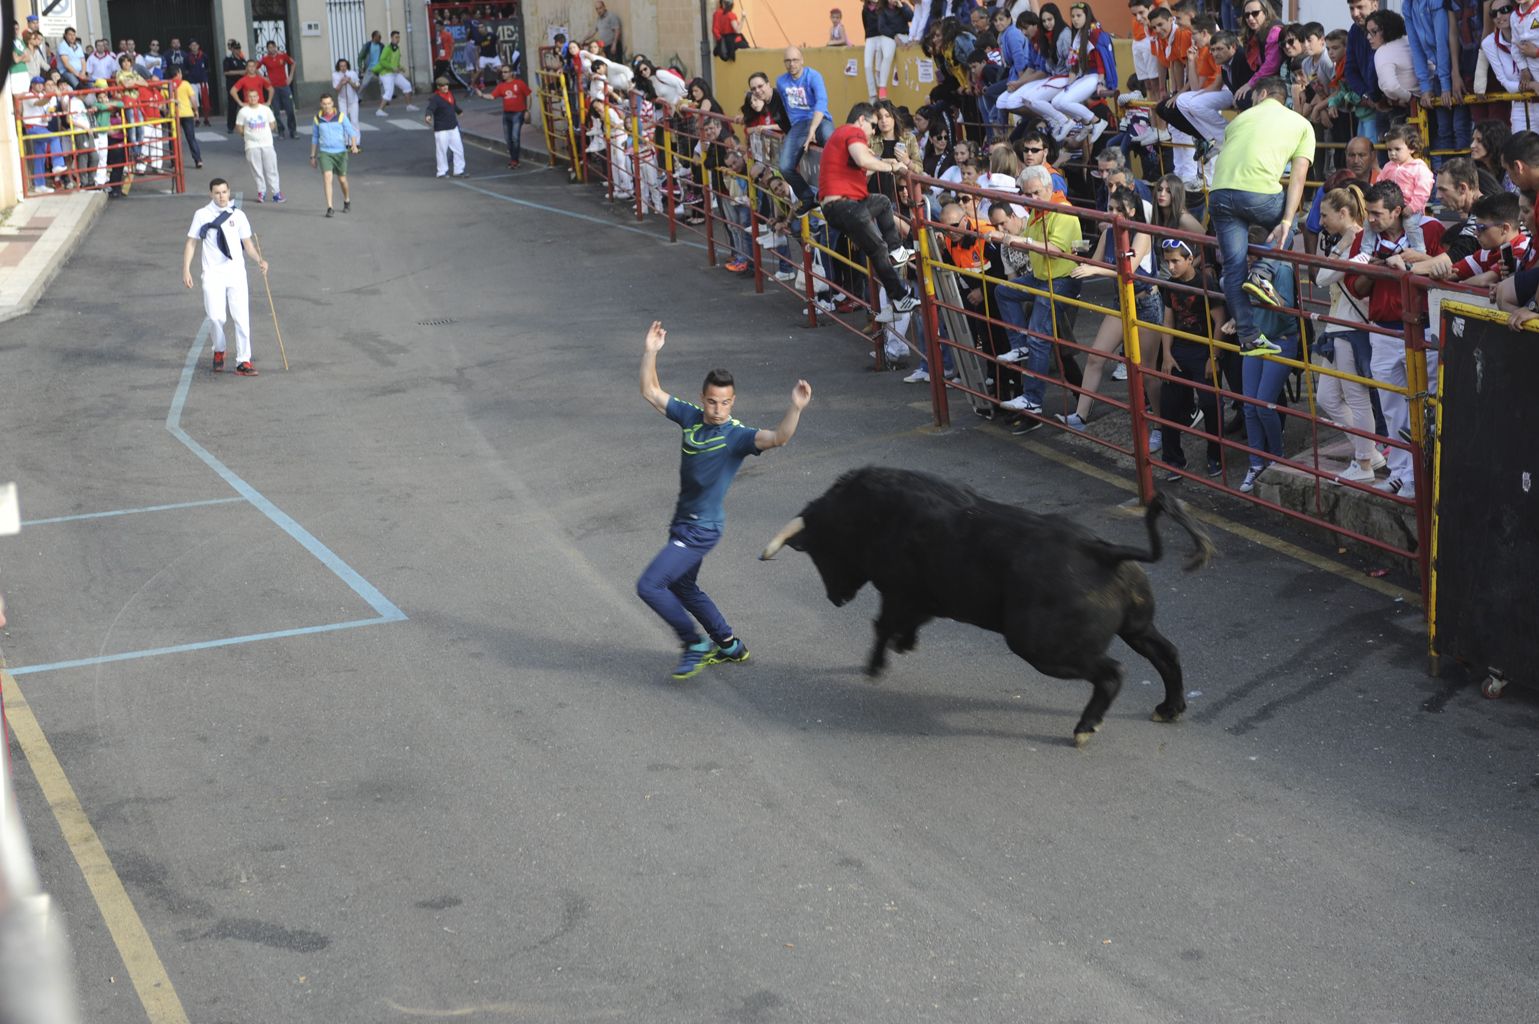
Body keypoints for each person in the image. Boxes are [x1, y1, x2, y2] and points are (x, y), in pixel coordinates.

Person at [636, 320, 811, 678]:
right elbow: (651, 391)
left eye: (726, 402)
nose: (719, 408)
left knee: (650, 585)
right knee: (683, 586)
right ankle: (729, 645)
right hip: (683, 523)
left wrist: (795, 408)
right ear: (703, 399)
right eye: (713, 401)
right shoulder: (691, 417)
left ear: (734, 401)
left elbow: (778, 437)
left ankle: (694, 643)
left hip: (702, 529)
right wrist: (651, 351)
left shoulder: (737, 437)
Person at [1344, 180, 1446, 498]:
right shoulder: (1363, 238)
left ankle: (1430, 474)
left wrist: (1409, 262)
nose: (1370, 219)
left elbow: (1446, 272)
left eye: (1376, 213)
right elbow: (1356, 288)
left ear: (1397, 211)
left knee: (1429, 405)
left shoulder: (1430, 230)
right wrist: (1379, 268)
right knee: (1392, 408)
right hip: (1384, 331)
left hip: (1425, 329)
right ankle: (1404, 473)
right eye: (1368, 213)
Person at [1207, 75, 1313, 356]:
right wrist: (1287, 222)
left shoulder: (1239, 120)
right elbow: (1298, 181)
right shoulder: (1301, 123)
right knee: (1289, 226)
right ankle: (1262, 273)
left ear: (1262, 94)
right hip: (1257, 195)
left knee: (1232, 266)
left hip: (1218, 194)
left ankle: (1248, 335)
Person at [1056, 185, 1164, 436]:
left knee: (1147, 371)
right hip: (1122, 302)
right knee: (1095, 357)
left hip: (1146, 302)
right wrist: (1072, 252)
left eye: (1119, 210)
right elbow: (1094, 261)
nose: (1113, 213)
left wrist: (1093, 270)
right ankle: (1080, 416)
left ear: (1132, 212)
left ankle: (1160, 427)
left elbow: (1130, 268)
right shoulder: (1109, 234)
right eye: (1110, 208)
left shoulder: (1142, 234)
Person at [815, 102, 920, 324]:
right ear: (861, 120)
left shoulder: (840, 138)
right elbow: (863, 160)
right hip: (845, 206)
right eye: (872, 125)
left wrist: (884, 161)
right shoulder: (852, 131)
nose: (873, 131)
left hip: (843, 207)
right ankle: (899, 294)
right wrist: (892, 166)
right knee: (877, 248)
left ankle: (897, 255)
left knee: (881, 203)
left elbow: (863, 167)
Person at [996, 163, 1084, 418]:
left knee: (1041, 339)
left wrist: (1022, 241)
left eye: (1036, 193)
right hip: (1042, 278)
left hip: (1060, 280)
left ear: (1048, 188)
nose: (1032, 199)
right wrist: (1008, 239)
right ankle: (1020, 344)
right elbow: (1036, 245)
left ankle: (1033, 398)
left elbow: (1055, 249)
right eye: (1028, 194)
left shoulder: (1061, 210)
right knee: (1004, 292)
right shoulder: (1039, 211)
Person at [1312, 184, 1385, 484]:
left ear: (1344, 213)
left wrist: (1343, 251)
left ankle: (1364, 463)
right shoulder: (1344, 239)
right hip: (1337, 326)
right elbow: (1321, 276)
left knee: (1355, 397)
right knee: (1327, 397)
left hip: (1351, 326)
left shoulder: (1360, 241)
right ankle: (1369, 453)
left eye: (1325, 215)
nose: (1321, 221)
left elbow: (1322, 276)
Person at [182, 178, 268, 377]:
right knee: (216, 317)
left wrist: (259, 260)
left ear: (229, 192)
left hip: (236, 273)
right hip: (213, 274)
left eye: (224, 192)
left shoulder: (238, 216)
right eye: (217, 193)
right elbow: (191, 243)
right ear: (211, 194)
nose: (221, 196)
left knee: (241, 318)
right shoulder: (202, 215)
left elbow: (247, 244)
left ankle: (243, 361)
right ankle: (219, 349)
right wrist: (186, 269)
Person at [775, 47, 833, 214]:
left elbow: (821, 102)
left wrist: (812, 132)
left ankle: (832, 189)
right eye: (787, 61)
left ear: (802, 60)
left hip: (819, 119)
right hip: (799, 125)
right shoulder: (781, 81)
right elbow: (785, 108)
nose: (791, 64)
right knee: (785, 166)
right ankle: (807, 197)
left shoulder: (813, 76)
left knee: (832, 144)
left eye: (794, 60)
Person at [310, 93, 360, 216]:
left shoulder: (341, 117)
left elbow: (352, 133)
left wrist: (353, 146)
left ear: (333, 103)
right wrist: (312, 156)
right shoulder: (317, 118)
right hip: (325, 153)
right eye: (324, 104)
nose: (327, 106)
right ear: (321, 105)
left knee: (342, 180)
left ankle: (347, 200)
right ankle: (330, 207)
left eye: (329, 103)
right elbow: (315, 137)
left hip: (341, 153)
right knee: (327, 177)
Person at [477, 63, 531, 167]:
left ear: (511, 73)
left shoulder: (519, 83)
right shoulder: (501, 86)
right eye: (502, 72)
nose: (503, 74)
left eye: (506, 72)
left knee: (515, 137)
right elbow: (492, 96)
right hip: (506, 115)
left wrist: (527, 110)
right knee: (507, 138)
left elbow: (528, 95)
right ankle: (513, 158)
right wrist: (482, 95)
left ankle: (515, 160)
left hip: (518, 114)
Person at [235, 87, 283, 202]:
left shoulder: (265, 110)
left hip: (267, 143)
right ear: (247, 98)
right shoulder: (243, 111)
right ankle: (261, 192)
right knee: (257, 169)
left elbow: (272, 124)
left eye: (255, 96)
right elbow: (239, 127)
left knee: (271, 168)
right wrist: (247, 136)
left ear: (258, 97)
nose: (253, 99)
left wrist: (264, 134)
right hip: (251, 145)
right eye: (250, 97)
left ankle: (276, 192)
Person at [1376, 123, 1435, 215]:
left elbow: (1423, 192)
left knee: (1410, 226)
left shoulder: (1419, 168)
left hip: (1411, 210)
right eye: (1389, 149)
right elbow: (1379, 184)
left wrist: (1412, 208)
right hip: (1389, 210)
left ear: (1411, 148)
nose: (1392, 153)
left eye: (1397, 149)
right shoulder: (1388, 166)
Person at [424, 76, 467, 177]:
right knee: (442, 151)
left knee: (459, 149)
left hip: (453, 127)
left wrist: (459, 111)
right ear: (438, 87)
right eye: (442, 86)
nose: (445, 87)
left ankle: (459, 170)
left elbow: (453, 105)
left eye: (446, 85)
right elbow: (430, 109)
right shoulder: (435, 98)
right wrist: (428, 116)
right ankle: (441, 172)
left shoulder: (450, 95)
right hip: (441, 129)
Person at [373, 30, 418, 115]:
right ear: (392, 38)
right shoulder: (387, 48)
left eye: (398, 37)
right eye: (396, 37)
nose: (398, 39)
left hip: (394, 73)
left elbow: (396, 62)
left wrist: (401, 67)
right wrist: (392, 68)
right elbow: (382, 61)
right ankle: (380, 110)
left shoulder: (397, 48)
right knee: (389, 91)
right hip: (386, 74)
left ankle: (409, 106)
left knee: (407, 85)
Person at [259, 40, 297, 139]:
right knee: (276, 111)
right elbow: (255, 68)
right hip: (273, 88)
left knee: (290, 110)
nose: (271, 49)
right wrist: (264, 78)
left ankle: (293, 130)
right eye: (269, 47)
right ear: (267, 49)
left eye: (273, 47)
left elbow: (293, 63)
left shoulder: (282, 56)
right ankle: (281, 131)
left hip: (284, 86)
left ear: (276, 47)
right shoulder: (265, 59)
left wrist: (290, 77)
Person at [170, 66, 202, 168]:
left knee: (174, 139)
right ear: (178, 73)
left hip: (173, 115)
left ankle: (174, 162)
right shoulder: (185, 84)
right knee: (191, 138)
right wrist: (196, 111)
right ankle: (198, 160)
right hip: (187, 114)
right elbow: (193, 99)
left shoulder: (168, 85)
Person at [333, 58, 361, 127]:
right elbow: (336, 90)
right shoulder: (335, 75)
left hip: (353, 101)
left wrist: (350, 82)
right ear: (338, 67)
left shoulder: (353, 73)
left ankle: (356, 137)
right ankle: (345, 137)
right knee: (344, 121)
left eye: (345, 65)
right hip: (342, 101)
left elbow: (357, 87)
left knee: (354, 121)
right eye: (341, 66)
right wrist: (341, 82)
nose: (343, 68)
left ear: (347, 66)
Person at [358, 30, 385, 96]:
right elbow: (360, 57)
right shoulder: (367, 45)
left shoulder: (381, 46)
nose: (380, 38)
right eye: (379, 36)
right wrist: (361, 67)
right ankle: (358, 98)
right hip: (370, 68)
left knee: (383, 82)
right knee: (364, 84)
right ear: (374, 37)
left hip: (379, 68)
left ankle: (384, 98)